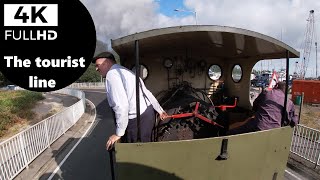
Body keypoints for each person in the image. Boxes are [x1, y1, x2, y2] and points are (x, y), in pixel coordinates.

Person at [92, 51, 168, 150]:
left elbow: (121, 106)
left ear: (106, 63)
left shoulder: (112, 75)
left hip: (137, 120)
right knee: (146, 147)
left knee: (136, 151)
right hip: (148, 113)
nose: (96, 69)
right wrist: (160, 110)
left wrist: (119, 133)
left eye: (98, 65)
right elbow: (147, 93)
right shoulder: (126, 71)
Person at [228, 82, 298, 135]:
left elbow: (255, 104)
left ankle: (224, 135)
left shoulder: (267, 93)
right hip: (275, 131)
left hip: (258, 125)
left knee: (234, 131)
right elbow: (294, 121)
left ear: (276, 86)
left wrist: (254, 113)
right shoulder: (289, 102)